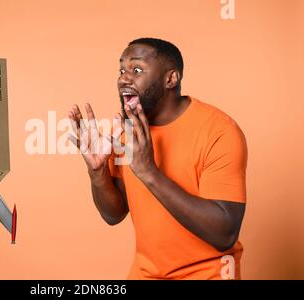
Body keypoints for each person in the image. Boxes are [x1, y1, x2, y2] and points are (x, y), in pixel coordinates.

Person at [68, 38, 248, 280]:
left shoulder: (219, 131)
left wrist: (148, 172)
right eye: (121, 70)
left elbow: (224, 233)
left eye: (137, 70)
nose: (124, 78)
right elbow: (114, 214)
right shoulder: (126, 132)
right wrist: (98, 174)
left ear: (170, 79)